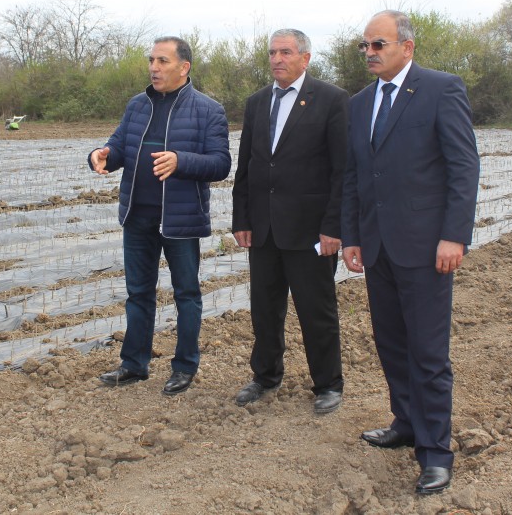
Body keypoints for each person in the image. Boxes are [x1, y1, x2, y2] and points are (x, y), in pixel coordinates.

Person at [341, 10, 479, 495]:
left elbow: (463, 166)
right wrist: (353, 236)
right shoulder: (360, 104)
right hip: (378, 246)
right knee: (391, 344)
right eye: (365, 46)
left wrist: (454, 235)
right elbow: (355, 176)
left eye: (379, 45)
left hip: (426, 246)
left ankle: (436, 451)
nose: (370, 54)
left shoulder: (441, 89)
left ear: (407, 46)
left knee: (427, 352)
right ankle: (404, 423)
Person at [88, 36, 231, 396]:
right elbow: (119, 146)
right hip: (138, 217)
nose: (154, 67)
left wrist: (182, 162)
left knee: (186, 294)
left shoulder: (208, 110)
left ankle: (184, 367)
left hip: (180, 220)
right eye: (152, 60)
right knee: (138, 293)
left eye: (163, 61)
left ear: (184, 67)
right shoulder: (137, 106)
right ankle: (134, 364)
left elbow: (220, 164)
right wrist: (101, 154)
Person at [231, 28, 348, 415]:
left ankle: (328, 384)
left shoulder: (331, 100)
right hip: (263, 228)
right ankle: (265, 376)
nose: (277, 59)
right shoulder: (257, 102)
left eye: (285, 52)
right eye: (272, 53)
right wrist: (241, 218)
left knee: (317, 310)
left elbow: (341, 171)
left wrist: (335, 227)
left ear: (305, 58)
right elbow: (247, 165)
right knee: (264, 308)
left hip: (309, 230)